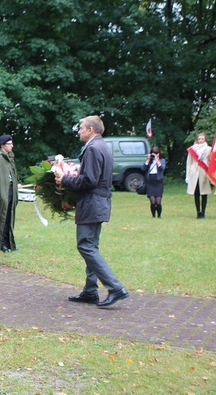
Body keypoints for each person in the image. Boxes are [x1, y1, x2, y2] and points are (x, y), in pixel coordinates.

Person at [56, 115, 129, 308]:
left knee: (85, 246)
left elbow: (89, 180)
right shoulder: (102, 146)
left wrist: (64, 178)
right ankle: (90, 291)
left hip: (93, 203)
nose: (79, 131)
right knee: (91, 246)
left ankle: (115, 288)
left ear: (90, 130)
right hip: (98, 202)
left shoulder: (94, 148)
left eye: (81, 128)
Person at [0, 134, 18, 252]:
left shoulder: (9, 158)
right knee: (2, 217)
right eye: (9, 144)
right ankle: (1, 243)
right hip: (2, 193)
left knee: (9, 217)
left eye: (12, 143)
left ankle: (9, 242)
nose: (12, 146)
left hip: (10, 190)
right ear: (2, 145)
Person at [186, 133, 212, 219]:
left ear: (205, 140)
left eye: (202, 139)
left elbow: (212, 161)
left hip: (204, 172)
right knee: (196, 193)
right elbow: (189, 163)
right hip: (194, 173)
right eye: (199, 139)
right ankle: (198, 212)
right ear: (197, 140)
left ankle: (203, 212)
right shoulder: (192, 149)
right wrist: (188, 175)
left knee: (204, 193)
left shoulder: (209, 149)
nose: (201, 140)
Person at [142, 146, 166, 218]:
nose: (154, 154)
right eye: (153, 153)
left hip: (158, 183)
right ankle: (153, 216)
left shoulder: (162, 160)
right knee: (153, 201)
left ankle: (159, 215)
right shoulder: (150, 161)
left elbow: (162, 168)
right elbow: (143, 168)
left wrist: (157, 160)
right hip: (150, 183)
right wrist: (148, 159)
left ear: (159, 153)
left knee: (158, 202)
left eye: (156, 153)